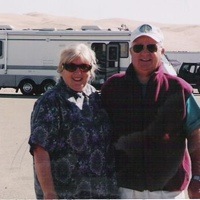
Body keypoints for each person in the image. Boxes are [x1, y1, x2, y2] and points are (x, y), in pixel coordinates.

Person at [101, 24, 200, 199]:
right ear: (131, 51)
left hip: (169, 191)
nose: (144, 53)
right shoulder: (112, 88)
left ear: (162, 51)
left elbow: (196, 135)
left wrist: (198, 176)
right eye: (138, 47)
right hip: (125, 189)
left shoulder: (179, 89)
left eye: (151, 47)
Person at [28, 43, 118, 199]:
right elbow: (40, 150)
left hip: (100, 192)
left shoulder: (95, 97)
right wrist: (49, 193)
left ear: (91, 70)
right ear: (62, 69)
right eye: (71, 67)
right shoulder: (50, 102)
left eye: (84, 67)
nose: (78, 72)